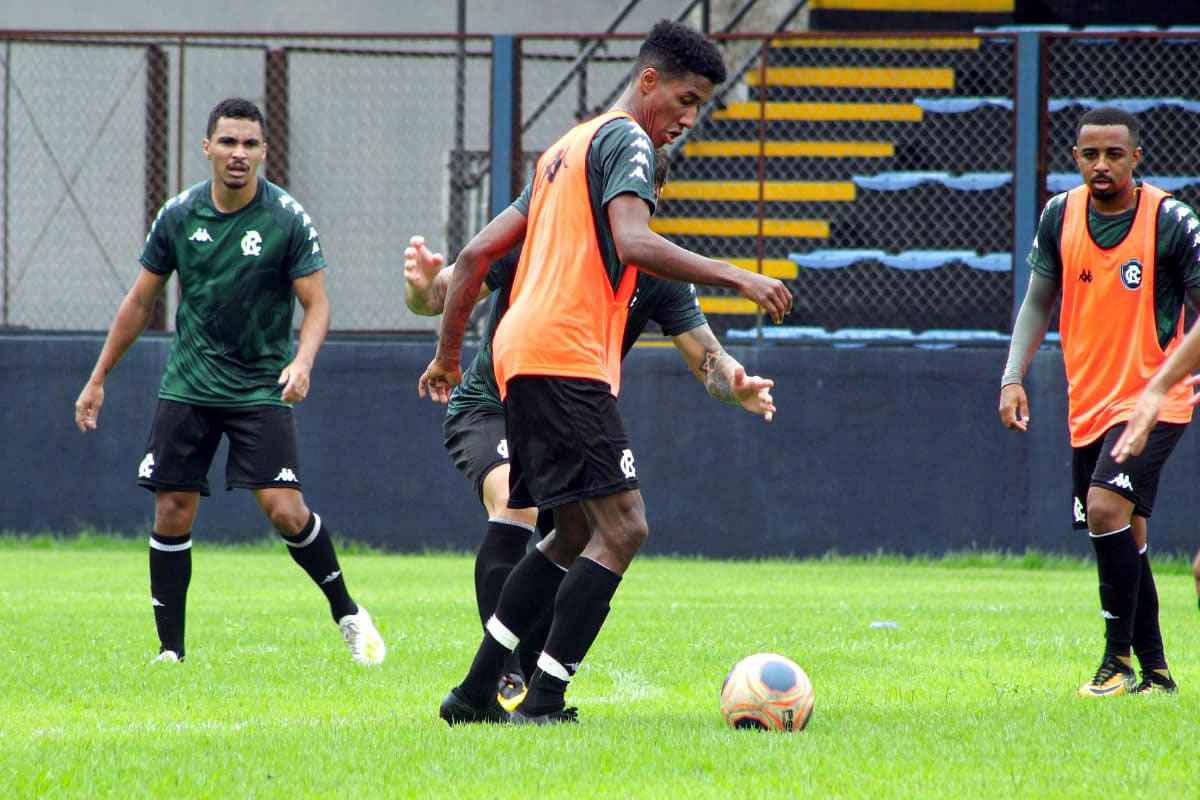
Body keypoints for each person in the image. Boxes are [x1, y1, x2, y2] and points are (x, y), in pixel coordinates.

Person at [419, 19, 792, 725]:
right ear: (648, 80)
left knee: (565, 533)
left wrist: (446, 354)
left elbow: (472, 258)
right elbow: (631, 238)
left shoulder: (564, 149)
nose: (688, 118)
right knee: (623, 528)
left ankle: (474, 694)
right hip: (563, 358)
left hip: (518, 358)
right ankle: (546, 697)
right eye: (684, 100)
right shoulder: (626, 140)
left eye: (700, 107)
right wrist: (736, 275)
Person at [73, 97, 385, 666]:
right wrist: (98, 379)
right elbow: (141, 300)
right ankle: (171, 652)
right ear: (207, 148)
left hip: (258, 386)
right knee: (172, 507)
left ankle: (347, 612)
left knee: (286, 510)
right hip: (190, 382)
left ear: (265, 152)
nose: (238, 154)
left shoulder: (287, 218)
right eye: (228, 142)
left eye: (249, 144)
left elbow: (316, 306)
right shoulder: (178, 215)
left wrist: (304, 361)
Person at [999, 106, 1200, 696]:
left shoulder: (1172, 221)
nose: (1102, 165)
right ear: (1076, 158)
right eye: (1091, 154)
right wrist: (1012, 375)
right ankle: (1158, 672)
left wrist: (1160, 386)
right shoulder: (1059, 215)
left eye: (1115, 153)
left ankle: (1116, 663)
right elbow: (1038, 301)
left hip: (1153, 403)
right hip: (1087, 404)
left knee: (1106, 509)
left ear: (1137, 158)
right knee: (1125, 535)